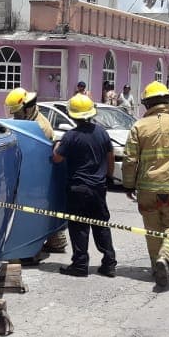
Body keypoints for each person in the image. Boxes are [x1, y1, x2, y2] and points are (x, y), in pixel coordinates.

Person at [122, 81, 169, 289]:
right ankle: (165, 257)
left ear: (147, 104)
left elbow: (130, 159)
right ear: (168, 101)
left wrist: (128, 185)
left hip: (147, 189)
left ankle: (157, 266)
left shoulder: (138, 126)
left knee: (153, 229)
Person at [51, 94, 118, 278]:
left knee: (79, 227)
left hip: (78, 188)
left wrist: (57, 145)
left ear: (72, 115)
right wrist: (108, 177)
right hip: (98, 187)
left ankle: (80, 264)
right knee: (101, 225)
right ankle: (109, 263)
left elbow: (57, 158)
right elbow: (110, 156)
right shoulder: (102, 132)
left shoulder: (70, 136)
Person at [5, 86, 67, 258]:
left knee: (34, 211)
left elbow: (32, 151)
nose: (15, 116)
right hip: (36, 171)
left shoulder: (39, 127)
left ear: (28, 108)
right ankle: (56, 241)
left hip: (37, 173)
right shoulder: (31, 122)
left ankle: (32, 250)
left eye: (17, 112)